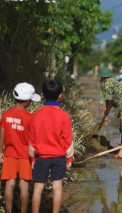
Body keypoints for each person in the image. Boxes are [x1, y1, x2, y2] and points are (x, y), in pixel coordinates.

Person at [29, 80, 74, 213]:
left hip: (41, 156)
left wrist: (32, 158)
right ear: (60, 96)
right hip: (59, 157)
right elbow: (68, 139)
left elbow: (32, 139)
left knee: (38, 188)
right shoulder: (64, 116)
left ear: (43, 94)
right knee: (57, 188)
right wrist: (69, 158)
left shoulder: (36, 114)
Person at [0, 82, 41, 213]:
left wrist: (1, 151)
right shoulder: (30, 117)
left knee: (9, 184)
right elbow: (33, 138)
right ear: (28, 101)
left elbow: (1, 134)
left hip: (9, 153)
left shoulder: (6, 114)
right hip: (25, 155)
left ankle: (8, 211)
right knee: (24, 186)